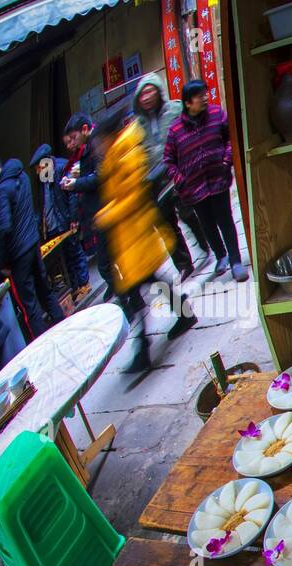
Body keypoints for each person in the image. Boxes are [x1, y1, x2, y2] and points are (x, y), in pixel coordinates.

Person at [94, 106, 195, 372]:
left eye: (100, 140)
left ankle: (144, 350)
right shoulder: (116, 154)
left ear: (109, 136)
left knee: (138, 288)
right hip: (129, 239)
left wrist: (107, 214)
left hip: (137, 234)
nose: (98, 147)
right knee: (145, 284)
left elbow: (131, 197)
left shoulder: (125, 154)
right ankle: (181, 316)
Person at [164, 80, 246, 281]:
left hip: (218, 178)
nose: (205, 98)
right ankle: (221, 256)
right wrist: (179, 178)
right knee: (207, 224)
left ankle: (236, 261)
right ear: (188, 103)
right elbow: (168, 160)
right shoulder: (175, 131)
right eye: (200, 95)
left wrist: (227, 160)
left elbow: (229, 139)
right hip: (193, 188)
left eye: (205, 93)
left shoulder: (218, 114)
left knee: (225, 219)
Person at [132, 72, 211, 282]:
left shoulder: (175, 109)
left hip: (178, 172)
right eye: (142, 94)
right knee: (167, 225)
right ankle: (184, 265)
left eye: (150, 91)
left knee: (187, 213)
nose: (147, 97)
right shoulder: (137, 125)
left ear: (158, 91)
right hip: (154, 182)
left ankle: (205, 241)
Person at [0, 155, 66, 340]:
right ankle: (63, 325)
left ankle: (42, 344)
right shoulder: (23, 177)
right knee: (44, 289)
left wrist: (2, 262)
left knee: (29, 305)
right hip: (33, 243)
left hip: (18, 255)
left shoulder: (2, 190)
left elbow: (3, 227)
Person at [28, 144, 91, 299]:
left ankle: (84, 284)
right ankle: (76, 287)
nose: (37, 171)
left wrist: (73, 218)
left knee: (75, 250)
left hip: (65, 219)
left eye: (38, 167)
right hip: (54, 225)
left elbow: (72, 195)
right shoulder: (45, 176)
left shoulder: (61, 168)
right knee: (66, 256)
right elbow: (44, 202)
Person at [60, 112, 113, 290]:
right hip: (101, 211)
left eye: (73, 138)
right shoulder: (85, 151)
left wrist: (75, 184)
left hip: (106, 207)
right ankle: (130, 298)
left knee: (106, 264)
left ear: (84, 130)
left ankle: (130, 300)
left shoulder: (95, 145)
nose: (71, 144)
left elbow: (99, 177)